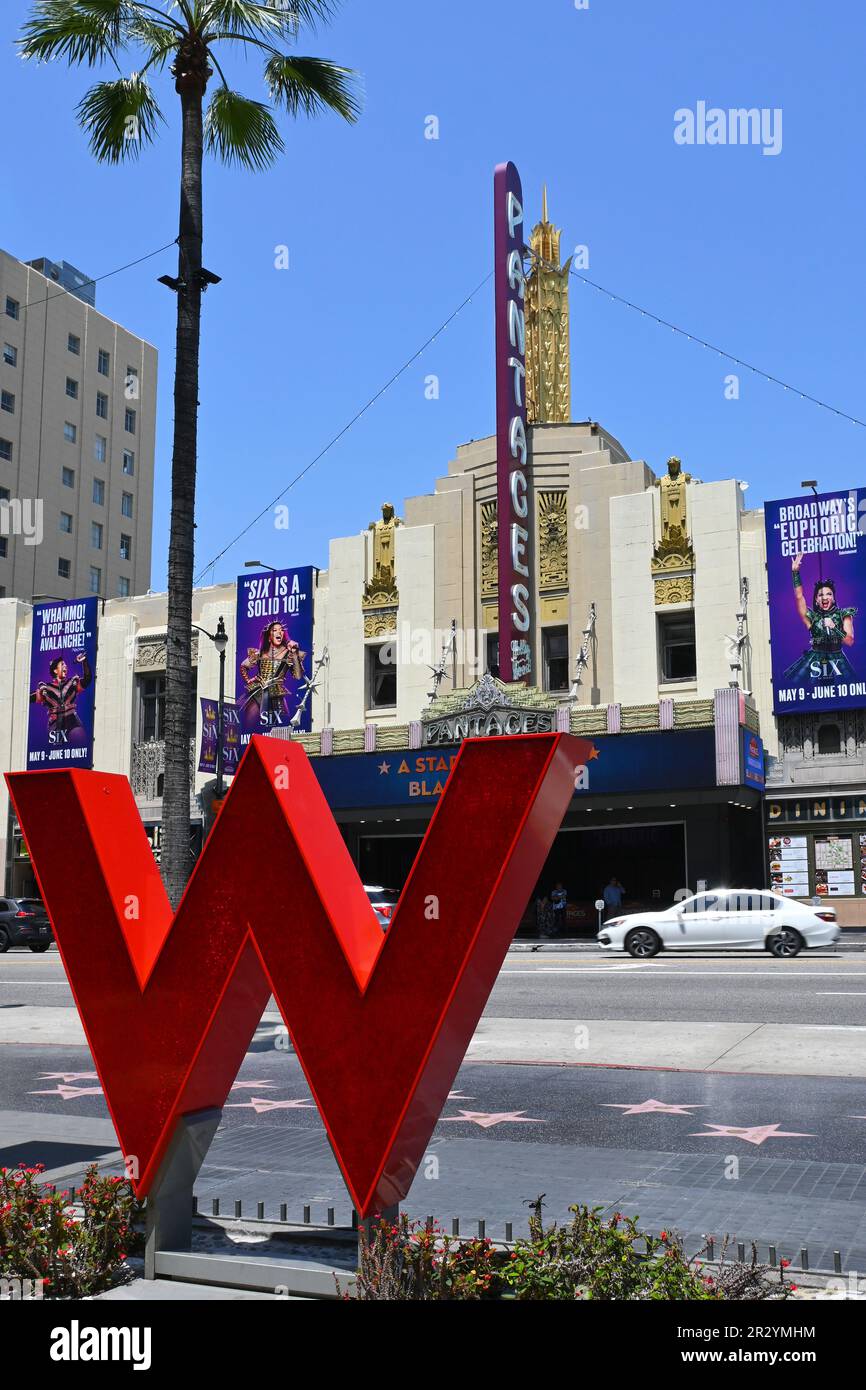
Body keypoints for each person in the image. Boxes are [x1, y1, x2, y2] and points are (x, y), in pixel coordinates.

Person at [785, 553, 856, 684]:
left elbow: (850, 641)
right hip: (814, 660)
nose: (825, 597)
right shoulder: (812, 617)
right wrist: (795, 572)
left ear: (833, 598)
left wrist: (834, 627)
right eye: (820, 595)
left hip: (838, 660)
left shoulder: (844, 614)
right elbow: (799, 597)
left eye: (829, 594)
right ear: (817, 600)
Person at [239, 620, 306, 729]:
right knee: (248, 724)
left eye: (281, 630)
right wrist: (250, 680)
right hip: (258, 691)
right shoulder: (259, 653)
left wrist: (294, 653)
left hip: (277, 694)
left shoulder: (289, 653)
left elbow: (298, 676)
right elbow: (243, 666)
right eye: (275, 630)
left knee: (282, 727)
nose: (279, 632)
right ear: (269, 636)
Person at [30, 651, 92, 739]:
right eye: (62, 664)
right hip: (55, 723)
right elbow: (27, 698)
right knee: (54, 748)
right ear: (55, 670)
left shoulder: (72, 683)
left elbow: (87, 680)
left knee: (78, 736)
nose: (65, 666)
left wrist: (84, 661)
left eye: (65, 665)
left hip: (72, 720)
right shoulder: (46, 688)